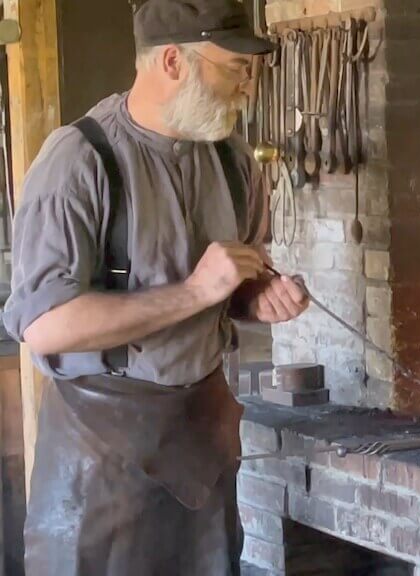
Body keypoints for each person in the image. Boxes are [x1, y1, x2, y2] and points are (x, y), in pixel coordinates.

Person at [2, 0, 308, 573]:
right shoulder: (79, 162)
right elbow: (44, 326)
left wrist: (252, 297)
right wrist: (196, 291)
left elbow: (233, 283)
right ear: (173, 61)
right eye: (234, 69)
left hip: (201, 448)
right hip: (100, 466)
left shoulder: (234, 161)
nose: (248, 86)